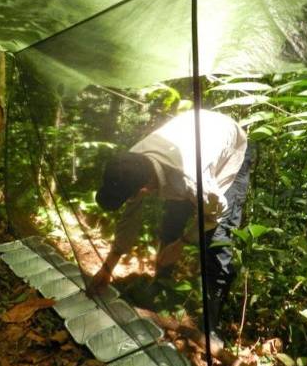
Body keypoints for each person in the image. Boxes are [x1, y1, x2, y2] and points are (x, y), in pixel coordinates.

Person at [89, 109, 251, 342]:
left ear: (145, 189)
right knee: (171, 223)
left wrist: (183, 243)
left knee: (217, 245)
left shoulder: (195, 183)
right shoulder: (131, 163)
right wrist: (107, 269)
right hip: (193, 136)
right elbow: (130, 217)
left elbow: (215, 212)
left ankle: (210, 327)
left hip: (231, 147)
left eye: (132, 196)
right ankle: (161, 286)